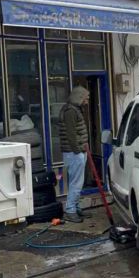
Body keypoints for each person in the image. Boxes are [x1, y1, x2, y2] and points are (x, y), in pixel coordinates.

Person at [59, 86, 90, 223]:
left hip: (77, 151)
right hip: (74, 153)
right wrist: (78, 151)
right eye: (86, 98)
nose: (87, 101)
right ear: (79, 97)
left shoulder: (74, 109)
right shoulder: (71, 112)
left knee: (78, 182)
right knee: (76, 183)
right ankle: (70, 210)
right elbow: (71, 134)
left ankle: (76, 207)